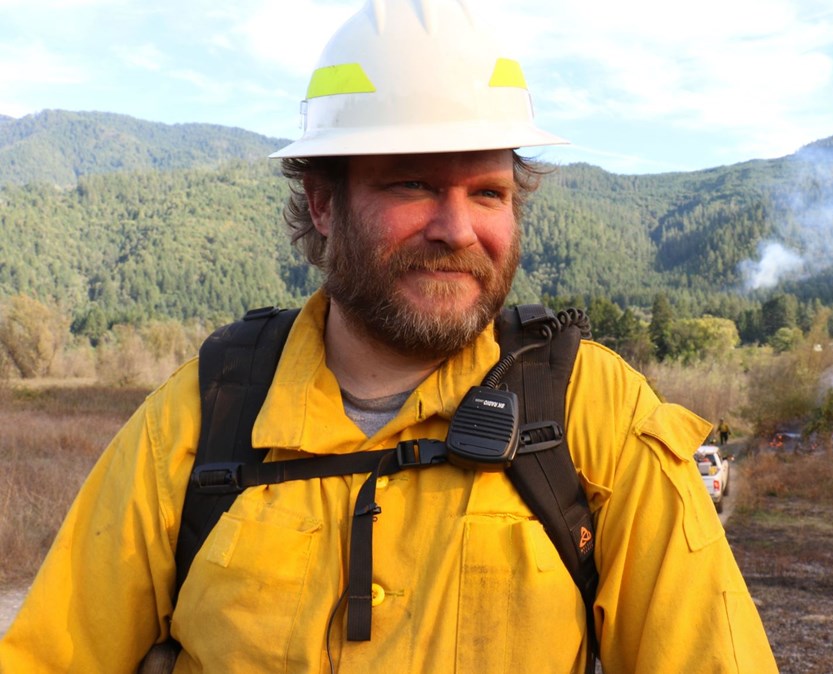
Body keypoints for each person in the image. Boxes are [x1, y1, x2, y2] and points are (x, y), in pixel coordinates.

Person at [0, 1, 778, 672]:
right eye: (412, 183)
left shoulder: (590, 415)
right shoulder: (204, 417)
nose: (457, 229)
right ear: (323, 202)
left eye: (488, 192)